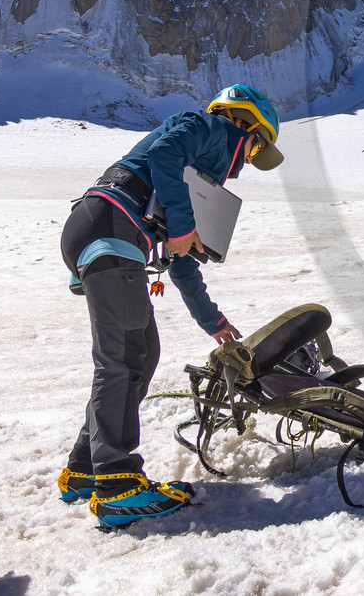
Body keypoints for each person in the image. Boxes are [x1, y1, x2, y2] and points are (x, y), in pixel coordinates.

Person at [56, 84, 284, 528]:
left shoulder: (188, 179)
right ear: (247, 125)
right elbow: (163, 154)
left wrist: (212, 320)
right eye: (257, 148)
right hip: (109, 229)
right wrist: (181, 225)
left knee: (137, 354)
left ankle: (84, 468)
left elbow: (181, 259)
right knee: (122, 357)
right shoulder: (209, 126)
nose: (248, 162)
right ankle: (117, 487)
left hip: (108, 234)